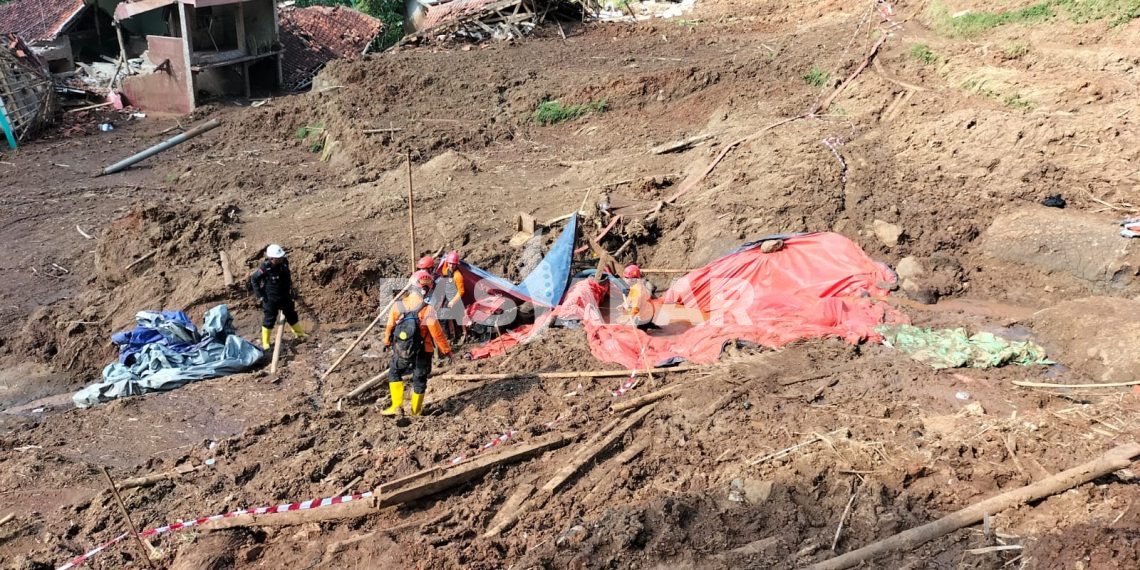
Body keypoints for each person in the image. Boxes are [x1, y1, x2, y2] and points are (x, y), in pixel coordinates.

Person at [382, 270, 454, 416]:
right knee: (419, 379)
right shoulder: (428, 310)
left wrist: (387, 341)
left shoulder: (398, 305)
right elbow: (437, 334)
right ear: (426, 289)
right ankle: (416, 412)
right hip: (423, 351)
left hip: (403, 349)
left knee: (395, 372)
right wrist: (447, 351)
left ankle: (396, 406)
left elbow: (390, 326)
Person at [250, 244, 307, 350]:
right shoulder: (265, 268)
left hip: (285, 296)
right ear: (272, 258)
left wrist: (291, 291)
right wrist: (260, 296)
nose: (281, 258)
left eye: (281, 257)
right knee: (269, 319)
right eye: (278, 258)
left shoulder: (284, 263)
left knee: (291, 315)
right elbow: (254, 279)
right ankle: (266, 342)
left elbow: (287, 278)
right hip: (271, 298)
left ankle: (299, 333)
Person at [435, 250, 467, 340]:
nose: (451, 266)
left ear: (456, 264)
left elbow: (461, 291)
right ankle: (452, 335)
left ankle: (464, 334)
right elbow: (443, 268)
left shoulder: (458, 276)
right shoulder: (447, 270)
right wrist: (450, 254)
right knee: (448, 317)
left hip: (455, 298)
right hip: (447, 296)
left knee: (460, 316)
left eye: (453, 264)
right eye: (449, 263)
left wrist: (453, 301)